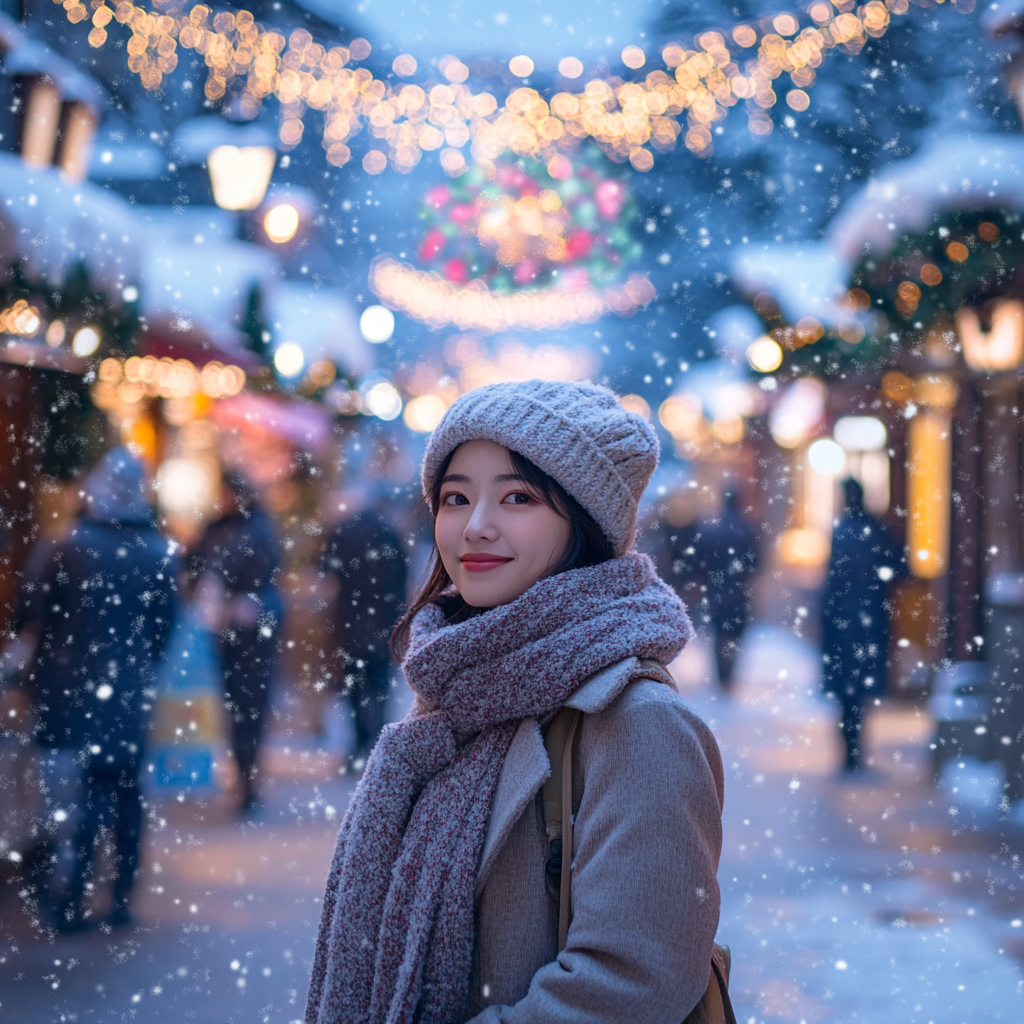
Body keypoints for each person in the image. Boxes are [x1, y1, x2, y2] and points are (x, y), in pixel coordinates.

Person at [306, 380, 724, 1024]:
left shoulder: (638, 724)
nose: (475, 526)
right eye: (455, 498)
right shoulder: (456, 699)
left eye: (518, 497)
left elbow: (633, 983)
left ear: (584, 520)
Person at [9, 448, 178, 931]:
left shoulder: (66, 544)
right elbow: (164, 629)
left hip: (66, 692)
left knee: (70, 795)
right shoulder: (158, 551)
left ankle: (69, 898)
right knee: (125, 793)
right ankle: (121, 896)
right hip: (128, 693)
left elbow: (26, 609)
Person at [194, 472, 283, 813]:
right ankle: (241, 773)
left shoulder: (258, 528)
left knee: (251, 704)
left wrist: (248, 601)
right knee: (233, 705)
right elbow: (198, 564)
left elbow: (266, 575)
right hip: (221, 631)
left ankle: (248, 780)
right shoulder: (217, 527)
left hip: (253, 633)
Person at [821, 477, 905, 773]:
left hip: (846, 621)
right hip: (870, 619)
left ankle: (850, 748)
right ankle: (855, 746)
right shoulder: (876, 530)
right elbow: (898, 567)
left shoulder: (842, 530)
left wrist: (828, 616)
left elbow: (833, 581)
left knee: (848, 688)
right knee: (860, 686)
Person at [318, 496, 408, 766]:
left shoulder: (342, 531)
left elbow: (325, 572)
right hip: (384, 621)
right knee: (379, 685)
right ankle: (377, 744)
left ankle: (358, 744)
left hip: (349, 621)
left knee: (354, 686)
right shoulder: (389, 532)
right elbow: (401, 576)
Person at [689, 490, 760, 690]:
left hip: (716, 590)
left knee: (720, 633)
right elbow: (755, 564)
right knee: (736, 633)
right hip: (738, 590)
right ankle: (730, 672)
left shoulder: (711, 530)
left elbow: (700, 564)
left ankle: (722, 674)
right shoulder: (746, 530)